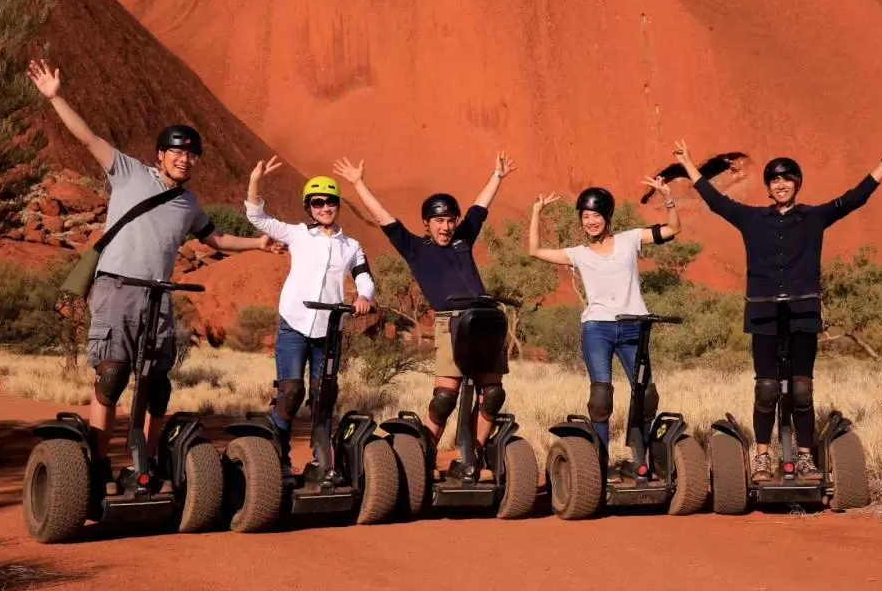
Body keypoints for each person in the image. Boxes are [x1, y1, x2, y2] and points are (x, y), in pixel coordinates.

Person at [26, 58, 278, 495]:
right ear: (160, 154)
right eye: (176, 152)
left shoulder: (189, 203)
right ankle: (99, 461)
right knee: (113, 373)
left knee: (156, 382)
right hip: (116, 287)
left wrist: (257, 244)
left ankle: (148, 463)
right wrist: (55, 97)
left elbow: (214, 239)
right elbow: (88, 139)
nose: (184, 159)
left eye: (191, 154)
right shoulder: (127, 171)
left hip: (158, 297)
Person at [672, 132, 882, 481]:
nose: (780, 185)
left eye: (786, 179)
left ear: (796, 184)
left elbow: (854, 198)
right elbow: (717, 201)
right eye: (775, 180)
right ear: (768, 187)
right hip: (763, 310)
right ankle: (763, 457)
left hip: (803, 310)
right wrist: (689, 165)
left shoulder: (814, 217)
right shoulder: (752, 218)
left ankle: (805, 456)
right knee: (766, 388)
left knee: (801, 389)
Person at [332, 153, 516, 476]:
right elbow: (384, 219)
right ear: (427, 225)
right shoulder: (416, 248)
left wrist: (497, 176)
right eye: (438, 221)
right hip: (451, 324)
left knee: (493, 394)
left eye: (450, 220)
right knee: (445, 398)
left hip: (484, 321)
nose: (445, 227)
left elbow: (480, 207)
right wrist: (359, 183)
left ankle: (471, 456)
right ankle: (424, 458)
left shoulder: (463, 238)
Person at [527, 178, 679, 476]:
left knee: (646, 394)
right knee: (601, 397)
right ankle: (600, 463)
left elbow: (673, 229)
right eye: (585, 216)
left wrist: (668, 198)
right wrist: (536, 212)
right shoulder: (578, 254)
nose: (591, 221)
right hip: (598, 329)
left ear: (607, 217)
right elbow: (534, 251)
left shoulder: (631, 239)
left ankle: (642, 458)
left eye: (596, 215)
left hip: (634, 326)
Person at [244, 158, 375, 474]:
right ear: (309, 207)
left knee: (323, 396)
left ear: (338, 205)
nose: (325, 207)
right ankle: (279, 459)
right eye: (318, 202)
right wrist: (255, 180)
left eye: (330, 201)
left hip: (330, 330)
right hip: (294, 323)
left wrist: (363, 296)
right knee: (291, 393)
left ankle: (322, 461)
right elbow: (256, 215)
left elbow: (365, 277)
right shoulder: (297, 234)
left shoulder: (351, 246)